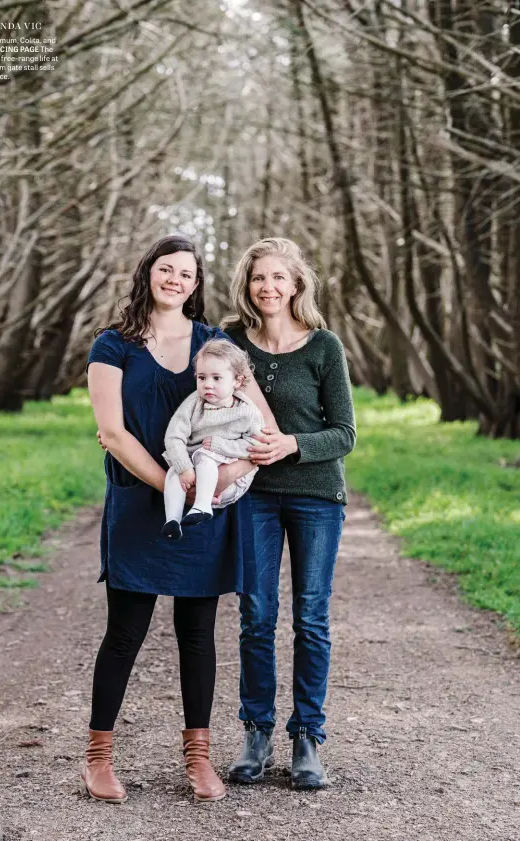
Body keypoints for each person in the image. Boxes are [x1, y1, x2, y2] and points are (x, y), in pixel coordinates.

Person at [83, 235, 269, 804]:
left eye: (187, 273)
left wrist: (222, 474)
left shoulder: (216, 344)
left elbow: (258, 422)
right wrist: (171, 484)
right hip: (143, 504)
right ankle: (97, 758)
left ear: (196, 284)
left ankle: (199, 759)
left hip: (206, 505)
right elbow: (112, 432)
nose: (176, 280)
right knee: (125, 633)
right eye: (167, 270)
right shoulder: (113, 346)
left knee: (198, 635)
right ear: (148, 275)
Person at [223, 238, 356, 790]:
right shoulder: (230, 343)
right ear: (247, 285)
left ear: (297, 284)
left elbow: (345, 433)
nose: (268, 287)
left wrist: (292, 445)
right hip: (251, 494)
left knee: (310, 617)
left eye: (279, 277)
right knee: (256, 614)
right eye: (259, 278)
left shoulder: (324, 347)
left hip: (315, 496)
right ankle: (257, 733)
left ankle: (308, 737)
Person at [161, 339, 263, 539]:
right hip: (193, 470)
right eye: (202, 377)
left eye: (217, 378)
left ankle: (202, 506)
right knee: (174, 470)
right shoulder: (193, 403)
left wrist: (220, 446)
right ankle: (172, 520)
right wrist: (184, 467)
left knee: (204, 457)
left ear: (237, 381)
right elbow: (174, 435)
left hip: (230, 479)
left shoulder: (247, 411)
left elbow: (256, 445)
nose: (208, 384)